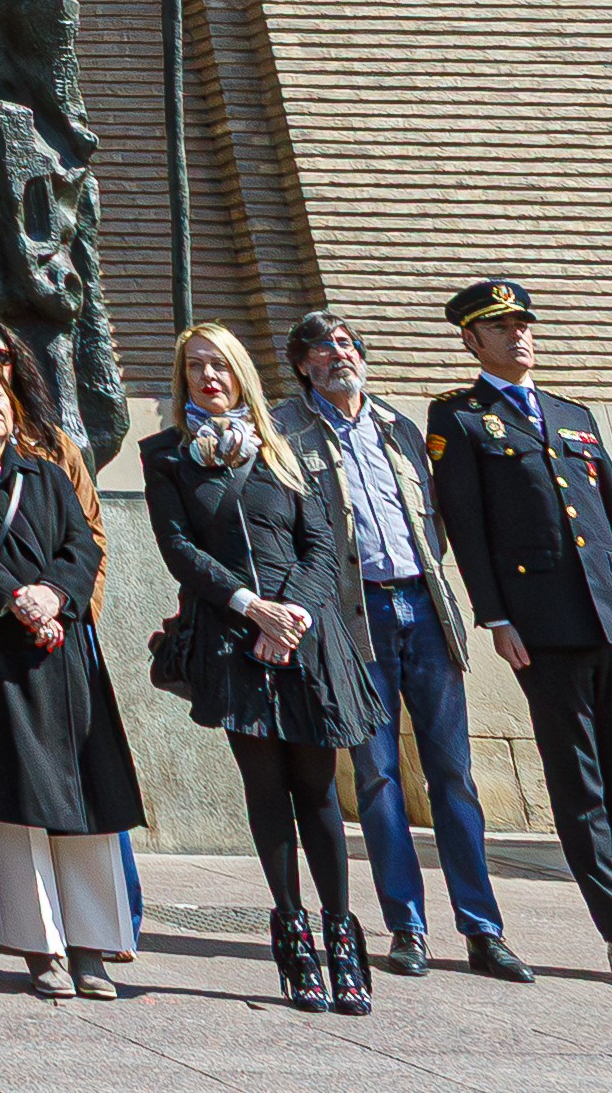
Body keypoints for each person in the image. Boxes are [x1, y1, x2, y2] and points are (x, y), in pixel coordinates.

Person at [423, 279, 612, 994]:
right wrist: (496, 618)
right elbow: (467, 527)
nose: (519, 335)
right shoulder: (459, 417)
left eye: (524, 323)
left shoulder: (572, 415)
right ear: (473, 340)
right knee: (581, 787)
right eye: (502, 327)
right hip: (543, 626)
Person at [280, 310, 520, 982]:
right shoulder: (287, 431)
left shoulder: (399, 426)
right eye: (323, 348)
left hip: (424, 606)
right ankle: (407, 926)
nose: (339, 355)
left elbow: (433, 521)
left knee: (453, 775)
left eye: (347, 344)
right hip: (356, 620)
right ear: (302, 365)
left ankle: (482, 929)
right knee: (379, 775)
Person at [145, 325, 371, 1015]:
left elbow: (322, 546)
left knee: (318, 789)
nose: (208, 377)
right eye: (195, 367)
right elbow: (179, 550)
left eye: (220, 365)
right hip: (230, 638)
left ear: (242, 371)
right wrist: (253, 609)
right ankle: (293, 935)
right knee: (266, 788)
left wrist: (291, 614)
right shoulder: (165, 455)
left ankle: (342, 934)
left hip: (306, 637)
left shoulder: (287, 447)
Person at [0, 345, 141, 999]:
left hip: (63, 648)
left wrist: (54, 596)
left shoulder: (46, 474)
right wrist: (18, 600)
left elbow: (81, 545)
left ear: (13, 407)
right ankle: (41, 948)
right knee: (16, 800)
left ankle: (91, 947)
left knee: (86, 794)